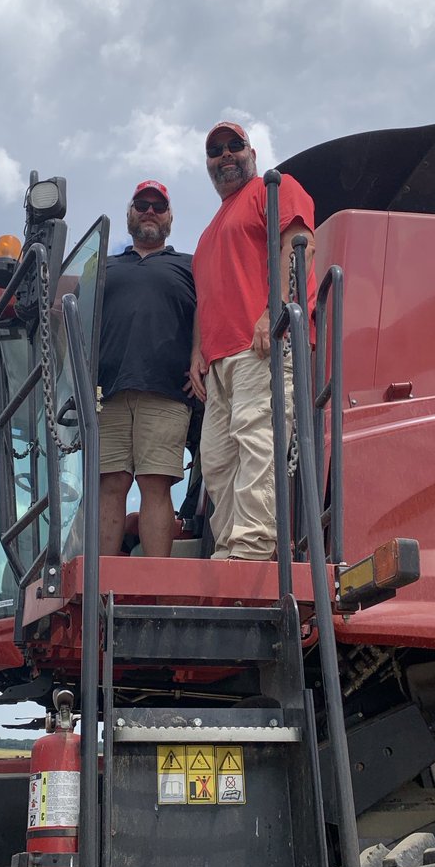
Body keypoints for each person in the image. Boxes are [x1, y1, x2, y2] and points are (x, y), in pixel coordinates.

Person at [189, 122, 316, 561]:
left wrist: (274, 311)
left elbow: (300, 244)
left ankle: (253, 549)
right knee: (217, 461)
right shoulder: (209, 232)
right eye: (215, 150)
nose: (225, 155)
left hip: (260, 346)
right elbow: (207, 296)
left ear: (252, 152)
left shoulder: (272, 188)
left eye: (234, 146)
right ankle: (229, 551)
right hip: (221, 360)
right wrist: (196, 354)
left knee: (258, 442)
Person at [98, 181, 196, 557]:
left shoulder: (189, 265)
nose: (150, 211)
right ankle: (102, 580)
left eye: (158, 205)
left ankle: (158, 582)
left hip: (167, 390)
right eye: (142, 204)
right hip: (107, 393)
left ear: (169, 217)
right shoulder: (103, 267)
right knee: (111, 483)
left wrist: (199, 357)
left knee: (156, 483)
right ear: (130, 214)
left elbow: (207, 313)